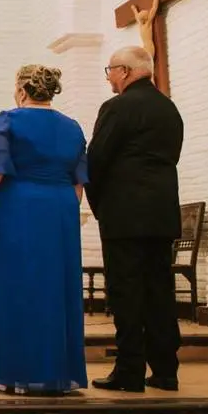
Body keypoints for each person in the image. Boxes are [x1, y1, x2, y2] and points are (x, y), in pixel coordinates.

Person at [0, 65, 89, 395]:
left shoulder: (9, 120)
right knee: (54, 288)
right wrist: (61, 215)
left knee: (15, 287)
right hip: (59, 210)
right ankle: (54, 372)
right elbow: (78, 185)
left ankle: (14, 370)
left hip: (19, 210)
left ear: (21, 91)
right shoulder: (72, 127)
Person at [87, 45, 185, 392]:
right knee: (160, 291)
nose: (110, 77)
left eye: (111, 70)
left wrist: (99, 206)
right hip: (161, 214)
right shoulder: (169, 108)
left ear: (125, 72)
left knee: (126, 292)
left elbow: (96, 160)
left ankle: (129, 371)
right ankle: (165, 370)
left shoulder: (117, 107)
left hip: (124, 215)